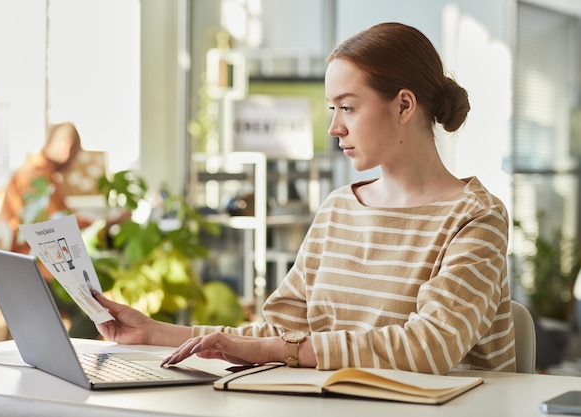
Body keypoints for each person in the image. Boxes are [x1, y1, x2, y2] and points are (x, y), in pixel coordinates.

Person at [93, 22, 516, 374]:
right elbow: (284, 334)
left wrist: (284, 350)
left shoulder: (477, 218)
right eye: (332, 109)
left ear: (404, 105)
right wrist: (154, 333)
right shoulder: (339, 209)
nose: (334, 127)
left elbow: (429, 347)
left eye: (347, 108)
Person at [0, 122, 99, 339]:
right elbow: (56, 228)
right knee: (94, 309)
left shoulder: (32, 174)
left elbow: (60, 218)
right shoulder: (37, 180)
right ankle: (70, 366)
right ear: (68, 147)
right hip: (29, 276)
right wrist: (101, 225)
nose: (74, 162)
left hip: (21, 271)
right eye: (76, 155)